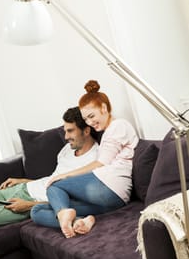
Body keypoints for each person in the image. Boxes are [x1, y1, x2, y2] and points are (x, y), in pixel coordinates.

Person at [0, 107, 98, 230]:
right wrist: (24, 181)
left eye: (70, 131)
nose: (66, 136)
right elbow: (53, 179)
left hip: (30, 203)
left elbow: (75, 202)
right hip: (24, 188)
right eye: (65, 131)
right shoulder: (67, 149)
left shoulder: (95, 161)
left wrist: (30, 205)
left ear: (86, 131)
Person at [31, 80, 139, 238]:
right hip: (113, 199)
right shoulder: (109, 131)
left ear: (104, 108)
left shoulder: (118, 126)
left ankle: (65, 214)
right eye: (86, 119)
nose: (90, 122)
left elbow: (100, 163)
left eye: (91, 116)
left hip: (110, 186)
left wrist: (65, 175)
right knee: (37, 211)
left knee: (54, 186)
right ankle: (80, 222)